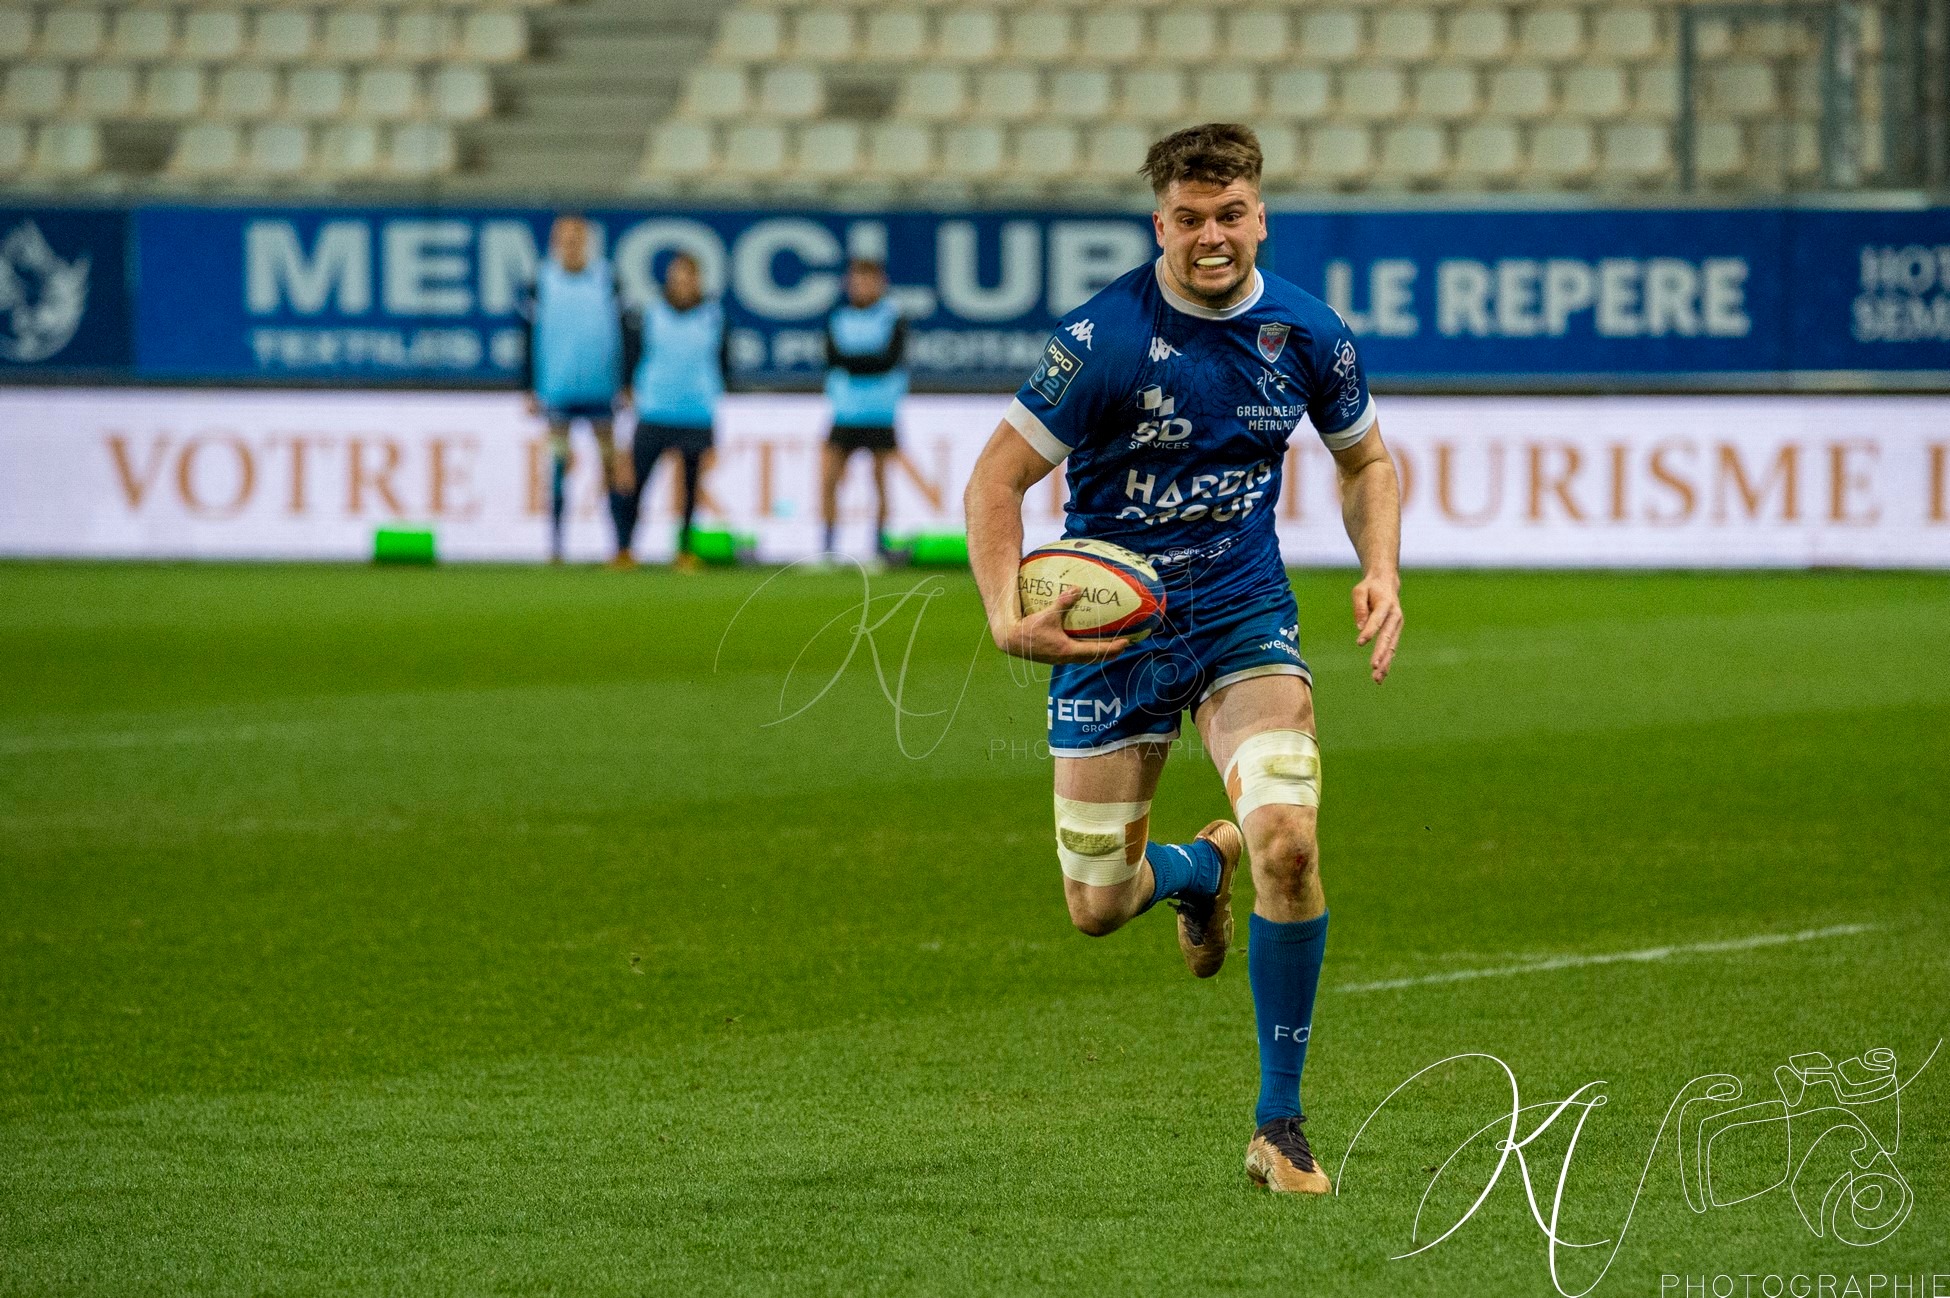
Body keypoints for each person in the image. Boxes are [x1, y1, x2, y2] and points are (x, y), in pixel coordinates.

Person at [962, 123, 1404, 1195]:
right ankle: (1198, 867)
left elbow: (1368, 461)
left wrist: (1380, 566)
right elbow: (995, 480)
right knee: (1099, 902)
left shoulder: (1309, 332)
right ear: (1162, 223)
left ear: (1261, 214)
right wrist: (1003, 614)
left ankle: (1280, 1122)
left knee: (1291, 840)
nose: (1213, 236)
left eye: (1232, 213)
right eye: (1191, 219)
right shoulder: (1103, 336)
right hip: (1114, 626)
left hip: (1243, 610)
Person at [519, 213, 633, 564]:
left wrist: (626, 383)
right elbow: (526, 337)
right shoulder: (541, 282)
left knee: (610, 466)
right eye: (563, 238)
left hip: (601, 388)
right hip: (557, 388)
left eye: (576, 238)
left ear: (586, 241)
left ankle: (620, 546)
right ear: (555, 243)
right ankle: (556, 547)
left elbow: (627, 333)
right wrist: (528, 387)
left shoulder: (608, 280)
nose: (570, 245)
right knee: (558, 465)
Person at [614, 252, 728, 573]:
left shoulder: (713, 316)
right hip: (655, 410)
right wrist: (630, 391)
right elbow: (632, 356)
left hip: (696, 412)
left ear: (698, 280)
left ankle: (686, 550)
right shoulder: (649, 314)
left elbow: (722, 360)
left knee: (692, 487)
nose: (683, 284)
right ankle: (624, 548)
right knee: (637, 484)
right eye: (677, 277)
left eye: (688, 277)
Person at [819, 258, 907, 567]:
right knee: (829, 480)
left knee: (881, 482)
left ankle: (879, 547)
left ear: (880, 283)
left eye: (867, 280)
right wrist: (868, 361)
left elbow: (888, 360)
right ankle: (828, 549)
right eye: (856, 281)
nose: (861, 287)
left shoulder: (893, 317)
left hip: (880, 413)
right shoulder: (838, 318)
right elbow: (833, 357)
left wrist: (852, 362)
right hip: (844, 412)